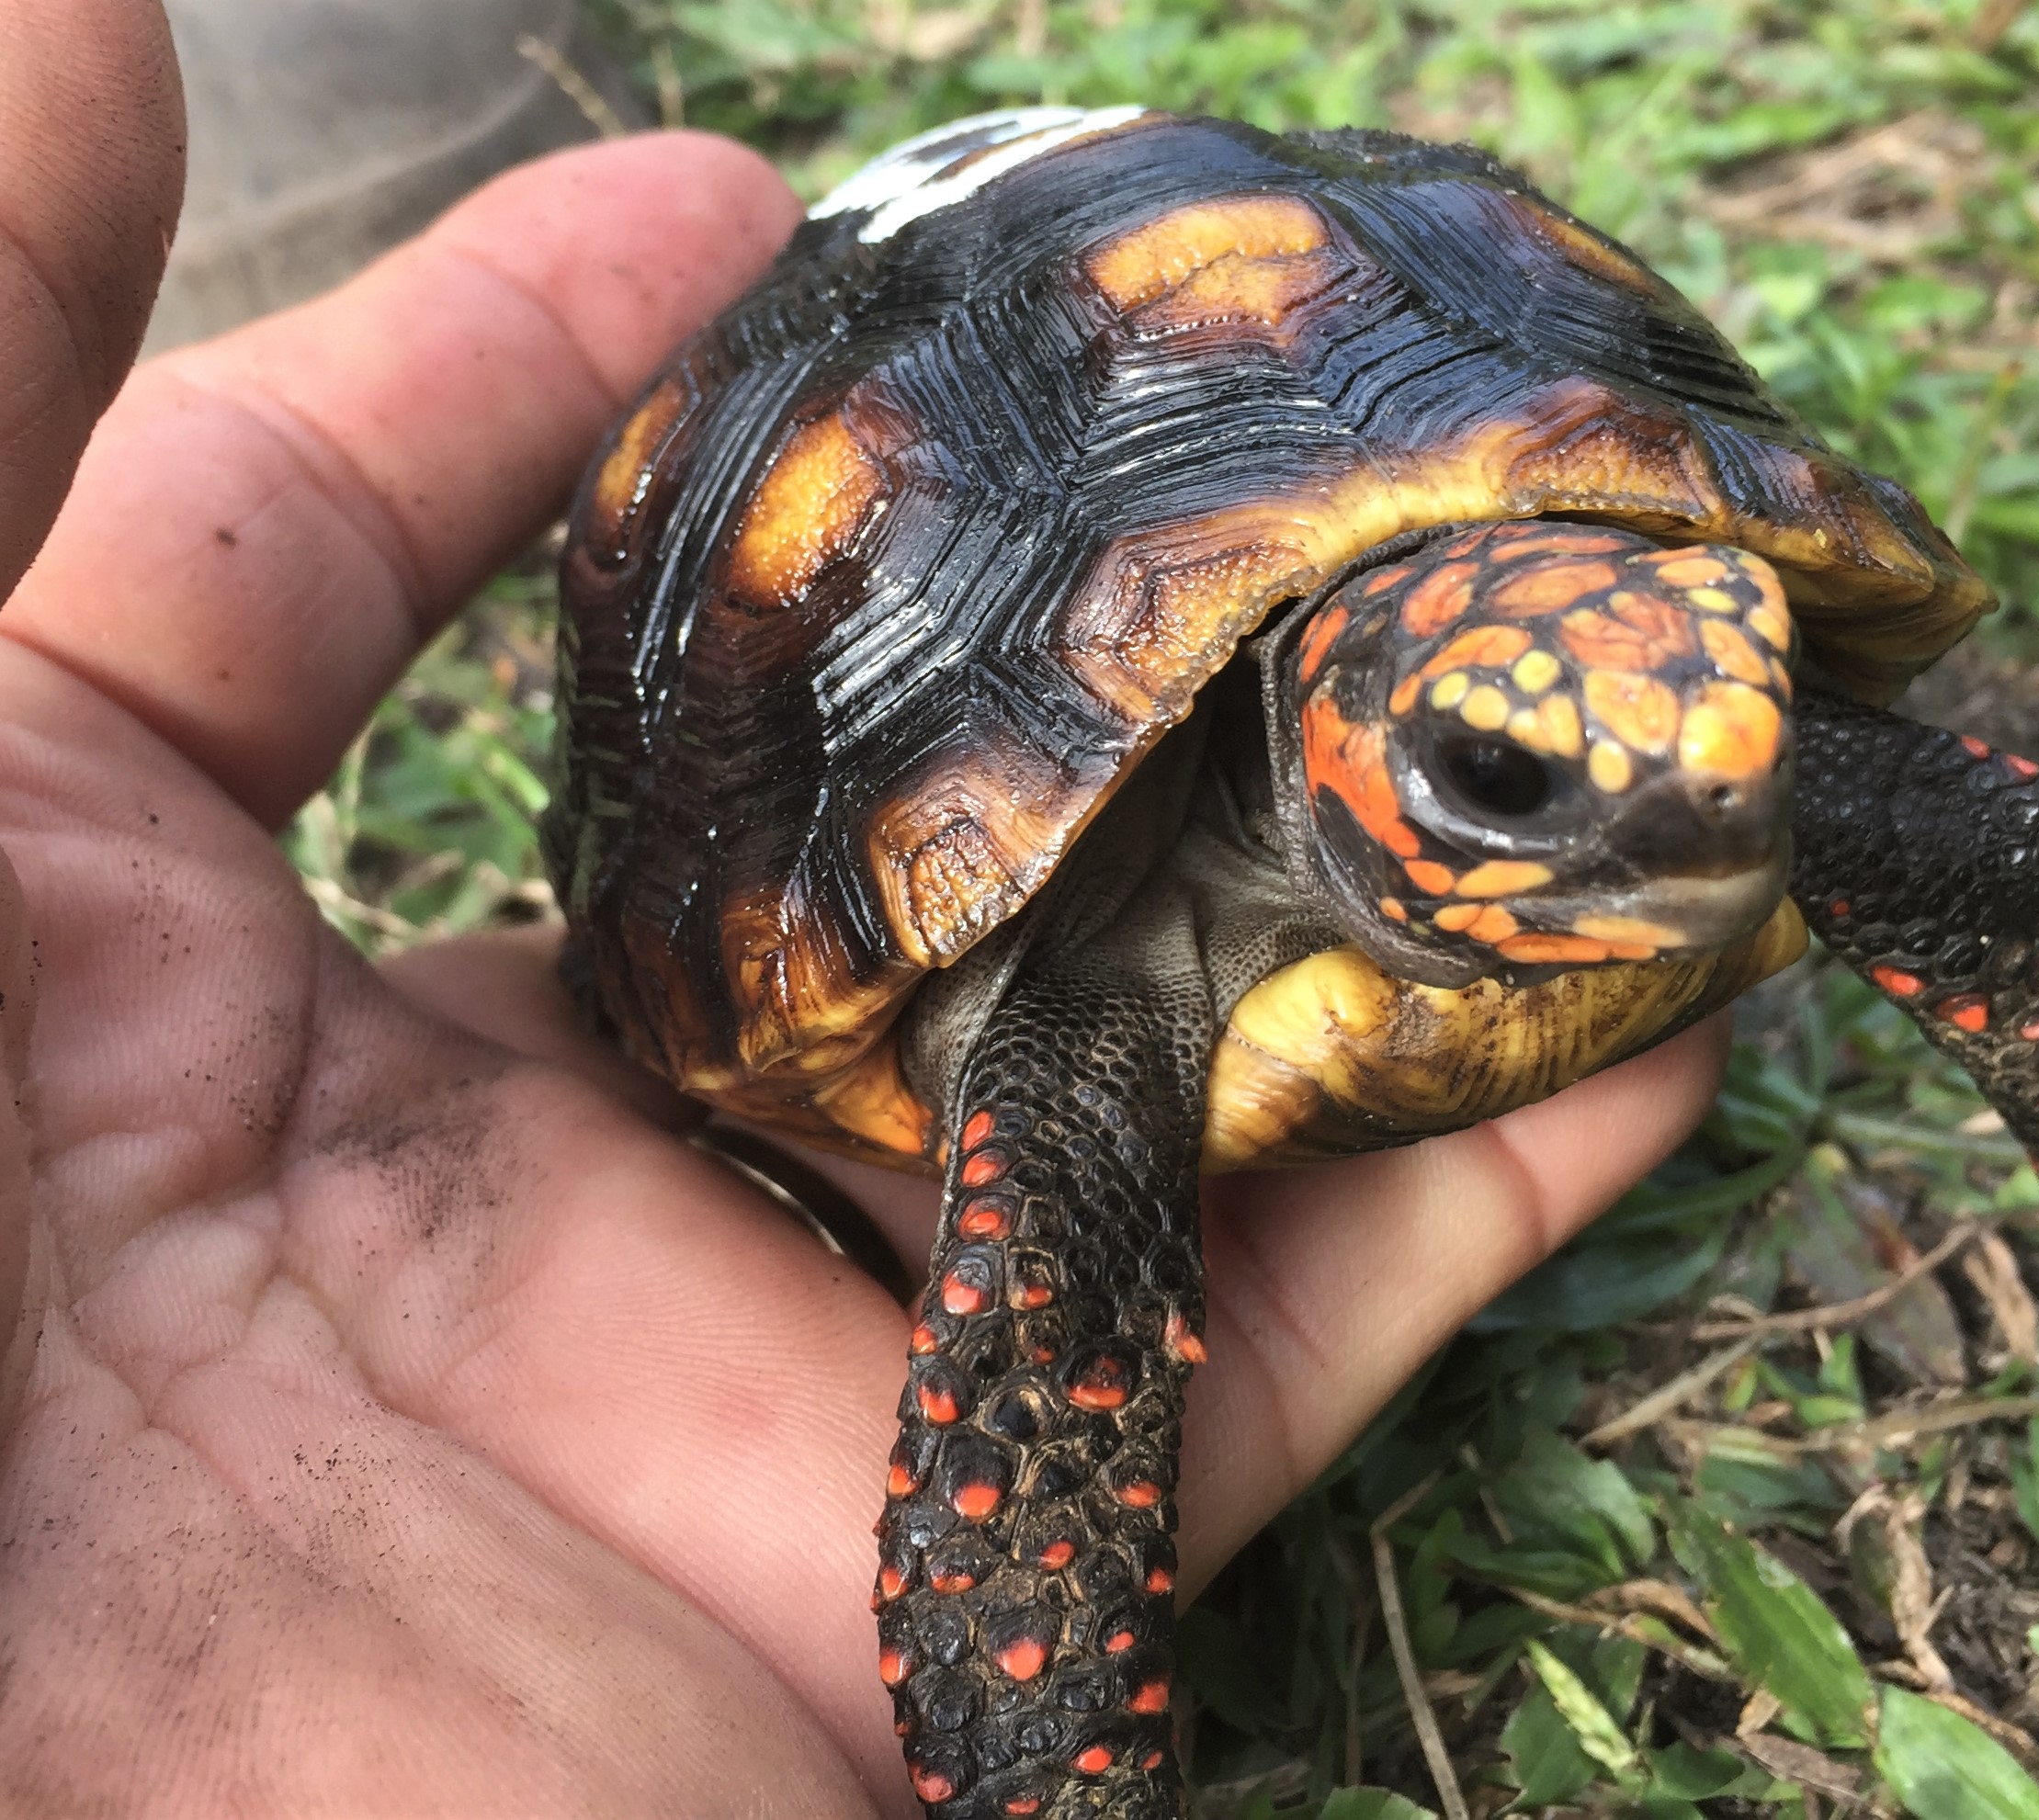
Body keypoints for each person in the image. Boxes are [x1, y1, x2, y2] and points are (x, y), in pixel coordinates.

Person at [0, 4, 1727, 1810]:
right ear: (1333, 744)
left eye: (1726, 729)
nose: (1679, 802)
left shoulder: (1684, 736)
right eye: (1505, 781)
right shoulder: (1086, 1002)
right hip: (1065, 915)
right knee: (1062, 1292)